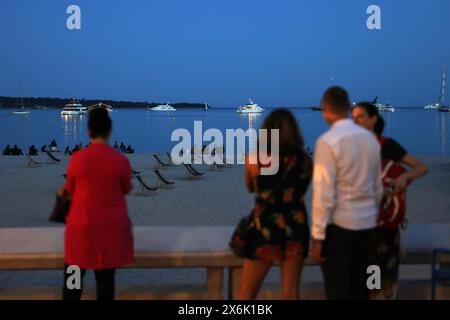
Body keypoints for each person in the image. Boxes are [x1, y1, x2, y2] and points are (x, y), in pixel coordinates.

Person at [310, 87, 383, 300]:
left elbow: (324, 194)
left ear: (325, 109)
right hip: (368, 226)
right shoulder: (370, 139)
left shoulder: (327, 141)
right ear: (349, 107)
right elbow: (377, 187)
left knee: (338, 291)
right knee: (362, 289)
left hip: (340, 228)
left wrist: (317, 238)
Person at [352, 102, 428, 299]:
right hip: (363, 224)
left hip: (386, 224)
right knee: (372, 281)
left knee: (388, 280)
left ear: (373, 119)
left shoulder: (387, 145)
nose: (355, 120)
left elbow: (421, 167)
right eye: (354, 117)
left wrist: (403, 178)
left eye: (360, 116)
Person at [235, 109, 312, 300]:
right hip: (296, 226)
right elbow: (301, 190)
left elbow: (250, 188)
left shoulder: (255, 159)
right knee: (291, 292)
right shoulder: (305, 161)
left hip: (265, 227)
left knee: (247, 293)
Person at [62, 108, 134, 300]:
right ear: (109, 131)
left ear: (88, 131)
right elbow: (126, 189)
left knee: (73, 281)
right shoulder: (120, 160)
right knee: (105, 282)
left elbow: (69, 189)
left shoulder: (77, 159)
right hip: (110, 233)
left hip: (80, 232)